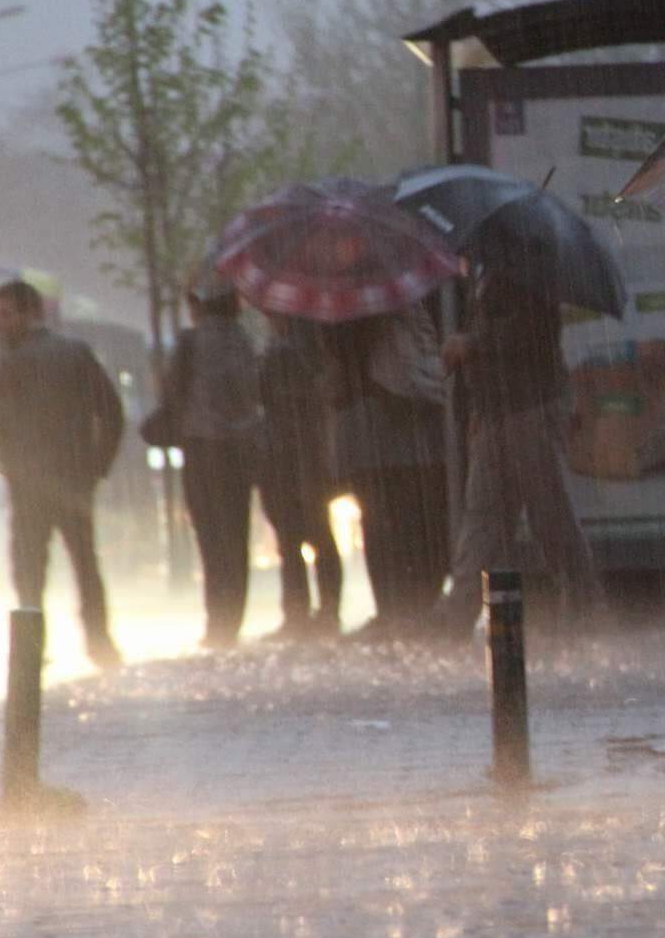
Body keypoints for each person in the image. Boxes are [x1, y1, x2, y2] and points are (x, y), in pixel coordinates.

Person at [0, 279, 125, 672]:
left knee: (29, 569)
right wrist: (97, 466)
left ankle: (31, 649)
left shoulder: (9, 362)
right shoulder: (75, 353)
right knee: (85, 564)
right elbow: (111, 412)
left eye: (5, 314)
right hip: (73, 479)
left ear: (31, 313)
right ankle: (99, 642)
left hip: (28, 483)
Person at [443, 243, 602, 625]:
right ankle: (454, 619)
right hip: (496, 412)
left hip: (529, 409)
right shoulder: (485, 273)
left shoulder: (529, 269)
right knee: (483, 519)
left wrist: (472, 345)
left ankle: (584, 605)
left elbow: (531, 333)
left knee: (549, 513)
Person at [322, 306, 451, 642]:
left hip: (375, 427)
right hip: (414, 422)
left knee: (382, 522)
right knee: (414, 519)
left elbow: (340, 364)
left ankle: (397, 611)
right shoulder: (415, 301)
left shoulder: (356, 308)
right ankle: (414, 607)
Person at [169, 275, 262, 650]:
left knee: (210, 538)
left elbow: (173, 395)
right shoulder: (244, 341)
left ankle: (216, 622)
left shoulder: (189, 342)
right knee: (236, 536)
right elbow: (253, 392)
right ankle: (232, 619)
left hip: (202, 448)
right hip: (239, 449)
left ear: (199, 305)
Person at [257, 315, 343, 639]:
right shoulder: (313, 351)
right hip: (308, 453)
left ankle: (300, 614)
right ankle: (327, 610)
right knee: (317, 533)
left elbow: (268, 398)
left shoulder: (282, 353)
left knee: (293, 537)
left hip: (287, 456)